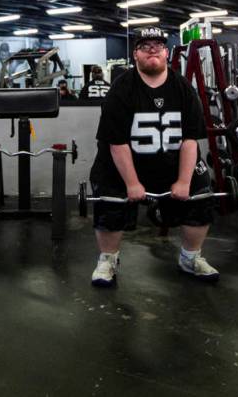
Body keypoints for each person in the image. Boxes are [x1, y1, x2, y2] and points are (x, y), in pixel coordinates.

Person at [89, 26, 218, 287]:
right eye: (145, 46)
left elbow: (190, 139)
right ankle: (107, 260)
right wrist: (133, 184)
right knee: (109, 197)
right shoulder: (121, 88)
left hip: (171, 162)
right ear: (135, 54)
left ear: (167, 53)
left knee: (201, 192)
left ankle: (190, 257)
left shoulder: (182, 87)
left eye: (157, 46)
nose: (152, 50)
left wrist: (183, 181)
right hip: (125, 162)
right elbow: (117, 143)